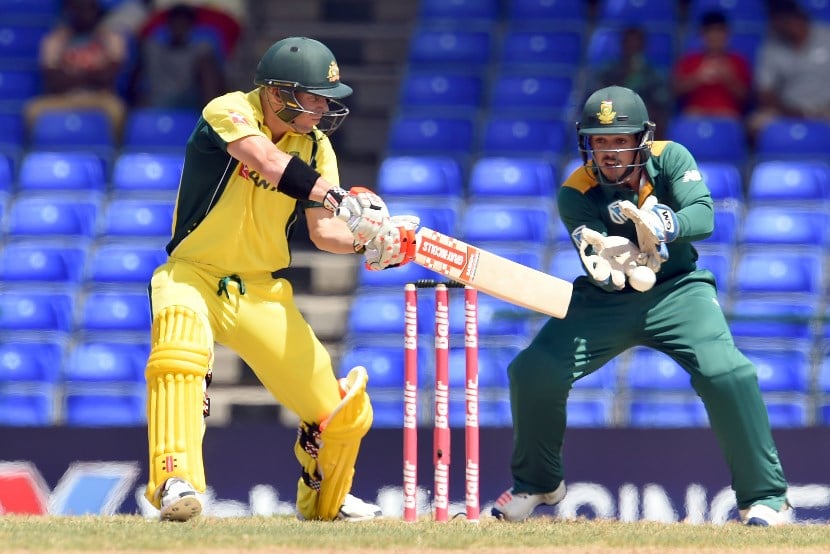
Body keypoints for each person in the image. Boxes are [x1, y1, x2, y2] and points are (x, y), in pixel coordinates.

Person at [490, 85, 792, 527]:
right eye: (600, 140)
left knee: (729, 374)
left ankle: (766, 498)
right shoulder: (575, 192)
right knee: (533, 371)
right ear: (586, 143)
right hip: (607, 299)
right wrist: (610, 261)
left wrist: (665, 223)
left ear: (641, 140)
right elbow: (595, 261)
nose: (610, 152)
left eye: (619, 140)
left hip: (678, 290)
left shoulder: (671, 159)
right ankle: (538, 482)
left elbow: (704, 215)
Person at [142, 36, 412, 523]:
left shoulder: (316, 144)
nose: (323, 109)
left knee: (337, 410)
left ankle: (327, 499)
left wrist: (368, 244)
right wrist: (338, 196)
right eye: (312, 97)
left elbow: (323, 229)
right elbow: (265, 160)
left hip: (260, 290)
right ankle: (174, 480)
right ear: (276, 93)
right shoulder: (228, 110)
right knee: (178, 352)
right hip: (192, 276)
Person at [24, 0, 128, 139]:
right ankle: (38, 155)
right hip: (62, 97)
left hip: (98, 97)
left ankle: (113, 155)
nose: (84, 13)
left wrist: (74, 72)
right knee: (32, 110)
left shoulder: (109, 36)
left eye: (88, 8)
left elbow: (111, 70)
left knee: (117, 110)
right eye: (79, 8)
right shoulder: (57, 38)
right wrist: (91, 71)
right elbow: (51, 73)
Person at [748, 0, 830, 133]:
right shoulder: (772, 47)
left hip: (826, 110)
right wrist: (788, 111)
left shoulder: (827, 38)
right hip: (786, 111)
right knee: (755, 125)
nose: (774, 26)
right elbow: (765, 91)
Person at [129, 3, 226, 110]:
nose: (179, 26)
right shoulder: (151, 49)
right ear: (168, 23)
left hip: (187, 105)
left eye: (184, 23)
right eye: (176, 21)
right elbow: (134, 81)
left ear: (191, 26)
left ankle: (211, 113)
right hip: (154, 104)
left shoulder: (201, 52)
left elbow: (211, 86)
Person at [587, 26, 671, 138]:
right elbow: (596, 96)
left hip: (643, 118)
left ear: (643, 46)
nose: (632, 47)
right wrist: (624, 75)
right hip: (613, 115)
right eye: (629, 43)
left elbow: (662, 100)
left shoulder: (653, 73)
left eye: (636, 44)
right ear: (623, 45)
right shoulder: (609, 69)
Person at [672, 10, 752, 118]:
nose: (715, 36)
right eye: (710, 32)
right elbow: (675, 91)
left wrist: (728, 77)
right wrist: (697, 77)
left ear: (727, 34)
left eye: (719, 31)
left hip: (728, 116)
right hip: (695, 115)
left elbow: (746, 97)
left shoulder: (738, 61)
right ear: (702, 34)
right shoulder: (689, 60)